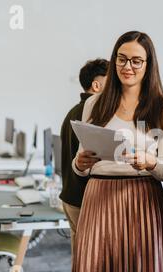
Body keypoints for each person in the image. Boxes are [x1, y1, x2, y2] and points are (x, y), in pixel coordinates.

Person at [69, 31, 163, 272]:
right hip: (98, 198)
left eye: (135, 61)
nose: (127, 67)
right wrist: (80, 163)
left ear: (149, 65)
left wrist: (150, 161)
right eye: (121, 59)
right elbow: (79, 163)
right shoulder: (95, 103)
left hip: (142, 199)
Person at [59, 59, 109, 254]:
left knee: (80, 264)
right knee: (91, 263)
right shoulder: (91, 113)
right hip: (83, 200)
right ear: (96, 85)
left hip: (71, 198)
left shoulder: (73, 111)